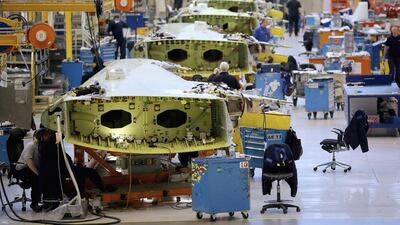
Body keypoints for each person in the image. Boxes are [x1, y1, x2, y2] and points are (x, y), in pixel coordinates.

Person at [14, 130, 42, 212]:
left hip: (29, 168)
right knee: (36, 179)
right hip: (21, 169)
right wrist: (37, 173)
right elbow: (29, 161)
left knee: (43, 175)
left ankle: (47, 199)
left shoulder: (41, 147)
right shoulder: (31, 145)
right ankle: (34, 204)